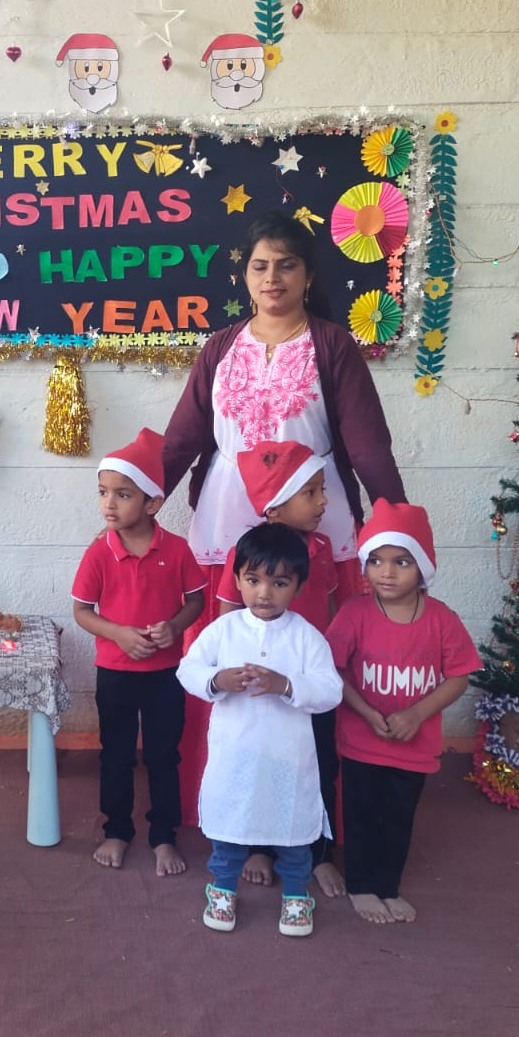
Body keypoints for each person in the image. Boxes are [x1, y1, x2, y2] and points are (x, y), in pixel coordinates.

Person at [161, 210, 407, 828]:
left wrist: (396, 520)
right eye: (260, 266)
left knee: (308, 655)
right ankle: (228, 811)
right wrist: (139, 504)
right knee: (229, 648)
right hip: (230, 514)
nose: (272, 278)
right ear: (245, 275)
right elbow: (184, 437)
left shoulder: (331, 344)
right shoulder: (221, 347)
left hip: (314, 514)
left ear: (308, 274)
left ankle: (309, 820)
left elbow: (367, 443)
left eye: (287, 265)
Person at [177, 523, 343, 936]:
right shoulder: (223, 630)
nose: (264, 593)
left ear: (298, 586)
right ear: (237, 579)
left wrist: (285, 685)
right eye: (253, 580)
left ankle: (295, 896)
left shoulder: (307, 638)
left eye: (279, 582)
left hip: (289, 759)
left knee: (293, 831)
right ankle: (223, 888)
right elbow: (188, 669)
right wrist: (217, 680)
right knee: (230, 829)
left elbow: (330, 691)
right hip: (236, 756)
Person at [324, 501, 480, 926]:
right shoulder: (354, 612)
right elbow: (332, 670)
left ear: (423, 567)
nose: (386, 573)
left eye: (401, 562)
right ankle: (361, 886)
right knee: (361, 815)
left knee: (398, 817)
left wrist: (415, 715)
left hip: (414, 747)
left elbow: (459, 677)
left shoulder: (442, 619)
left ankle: (388, 886)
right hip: (361, 742)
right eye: (375, 560)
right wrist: (365, 712)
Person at [71, 428, 207, 875]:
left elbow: (195, 601)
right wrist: (118, 634)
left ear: (153, 503)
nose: (109, 503)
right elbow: (82, 611)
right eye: (103, 492)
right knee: (116, 753)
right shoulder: (99, 553)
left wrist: (175, 627)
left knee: (163, 755)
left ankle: (163, 836)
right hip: (114, 673)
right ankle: (117, 830)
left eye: (123, 494)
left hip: (166, 674)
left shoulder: (178, 550)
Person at [215, 440, 344, 897]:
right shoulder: (246, 553)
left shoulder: (323, 547)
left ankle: (319, 853)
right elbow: (228, 622)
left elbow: (331, 610)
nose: (323, 501)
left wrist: (322, 672)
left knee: (318, 764)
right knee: (259, 765)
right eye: (310, 492)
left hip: (307, 681)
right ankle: (260, 848)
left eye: (321, 489)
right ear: (274, 508)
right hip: (257, 689)